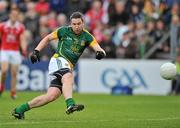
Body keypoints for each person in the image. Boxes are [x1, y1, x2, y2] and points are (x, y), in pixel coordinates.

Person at [12, 11, 106, 119]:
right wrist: (36, 51)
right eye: (74, 24)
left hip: (67, 65)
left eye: (78, 24)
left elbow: (99, 48)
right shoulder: (63, 31)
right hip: (58, 60)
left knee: (51, 96)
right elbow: (47, 38)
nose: (76, 26)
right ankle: (70, 104)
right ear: (71, 23)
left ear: (83, 23)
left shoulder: (87, 36)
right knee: (68, 76)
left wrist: (100, 53)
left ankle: (19, 110)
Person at [0, 8, 27, 99]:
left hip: (15, 51)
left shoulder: (20, 27)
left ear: (18, 16)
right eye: (13, 15)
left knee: (14, 73)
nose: (14, 17)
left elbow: (22, 39)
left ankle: (13, 91)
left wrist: (23, 49)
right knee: (4, 70)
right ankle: (2, 86)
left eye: (16, 15)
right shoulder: (3, 26)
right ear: (10, 15)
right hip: (4, 50)